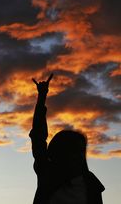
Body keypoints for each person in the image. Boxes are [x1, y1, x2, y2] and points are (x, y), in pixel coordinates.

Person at [29, 74, 105, 204]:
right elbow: (38, 137)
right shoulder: (48, 173)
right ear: (62, 153)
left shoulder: (90, 184)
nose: (79, 156)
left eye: (82, 151)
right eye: (74, 151)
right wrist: (41, 98)